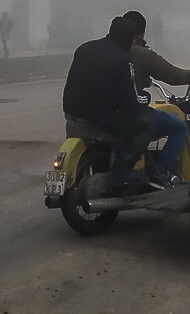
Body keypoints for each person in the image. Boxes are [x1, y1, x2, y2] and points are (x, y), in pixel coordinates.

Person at [62, 16, 153, 189]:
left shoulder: (84, 49)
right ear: (129, 38)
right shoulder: (122, 60)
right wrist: (145, 99)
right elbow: (130, 102)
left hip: (72, 117)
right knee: (145, 127)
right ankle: (122, 174)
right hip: (100, 122)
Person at [122, 10, 190, 185]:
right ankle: (159, 174)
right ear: (142, 32)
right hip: (127, 114)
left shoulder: (110, 49)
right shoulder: (140, 53)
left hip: (96, 114)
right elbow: (173, 75)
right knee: (179, 128)